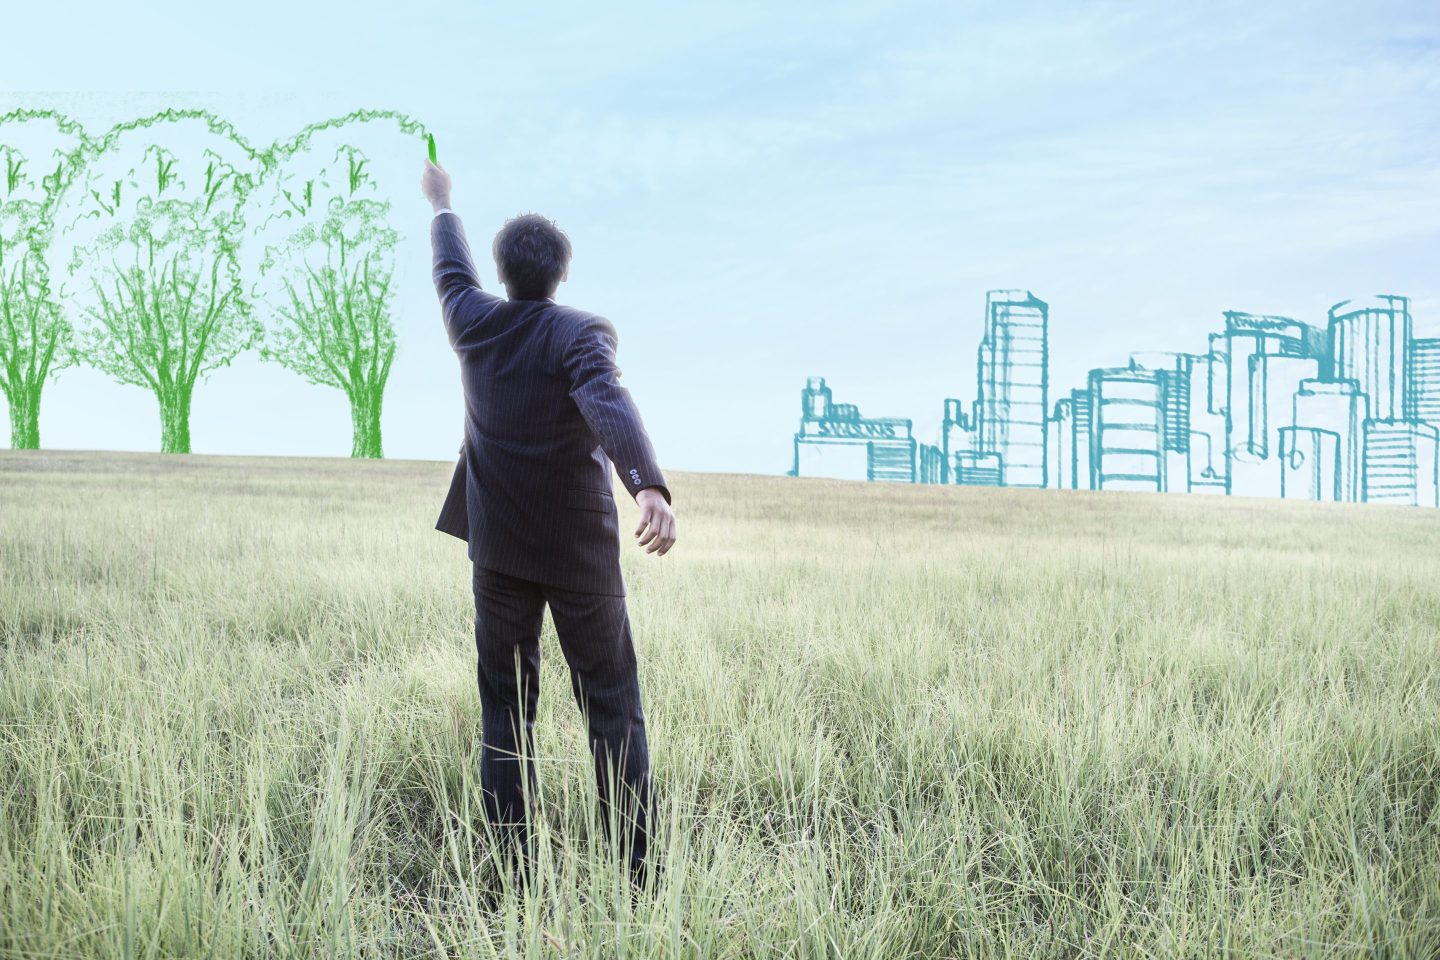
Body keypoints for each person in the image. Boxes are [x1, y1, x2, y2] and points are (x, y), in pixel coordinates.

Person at [422, 158, 676, 890]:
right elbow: (608, 399)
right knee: (612, 711)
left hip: (498, 550)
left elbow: (448, 273)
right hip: (577, 555)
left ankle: (511, 878)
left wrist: (443, 204)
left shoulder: (473, 322)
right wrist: (647, 487)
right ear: (560, 276)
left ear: (503, 274)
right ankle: (638, 879)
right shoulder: (579, 332)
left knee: (507, 711)